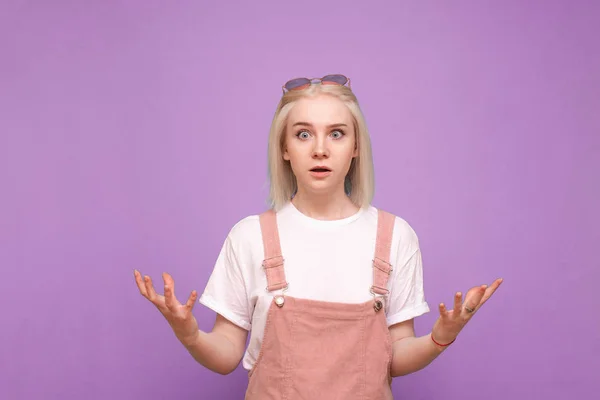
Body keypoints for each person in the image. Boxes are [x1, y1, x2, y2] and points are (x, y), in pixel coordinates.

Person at [133, 74, 502, 399]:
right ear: (284, 148)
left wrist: (441, 336)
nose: (320, 149)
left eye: (337, 133)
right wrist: (190, 334)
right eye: (303, 134)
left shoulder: (395, 236)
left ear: (356, 147)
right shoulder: (249, 237)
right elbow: (227, 354)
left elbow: (396, 356)